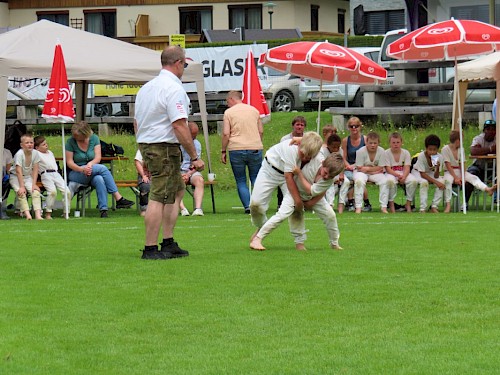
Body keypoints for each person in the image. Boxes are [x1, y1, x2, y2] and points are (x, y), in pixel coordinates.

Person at [135, 45, 205, 260]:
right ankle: (150, 248)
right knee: (159, 195)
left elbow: (137, 123)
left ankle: (168, 242)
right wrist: (194, 156)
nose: (184, 67)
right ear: (177, 63)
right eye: (184, 64)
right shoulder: (174, 89)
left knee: (175, 190)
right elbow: (179, 125)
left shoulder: (146, 88)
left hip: (150, 144)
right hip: (164, 146)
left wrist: (143, 150)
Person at [250, 153, 345, 251]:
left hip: (311, 195)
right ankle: (257, 239)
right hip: (294, 192)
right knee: (282, 215)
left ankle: (334, 243)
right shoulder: (315, 159)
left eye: (330, 176)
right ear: (323, 163)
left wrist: (311, 202)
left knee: (331, 215)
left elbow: (312, 191)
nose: (326, 177)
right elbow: (313, 140)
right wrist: (298, 139)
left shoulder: (330, 179)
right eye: (325, 172)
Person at [249, 131, 323, 239]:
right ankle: (261, 227)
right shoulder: (291, 148)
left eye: (308, 157)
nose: (304, 159)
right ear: (300, 146)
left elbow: (321, 144)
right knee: (255, 205)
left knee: (295, 207)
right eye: (302, 154)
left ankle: (299, 241)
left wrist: (298, 203)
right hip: (269, 170)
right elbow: (288, 177)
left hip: (290, 175)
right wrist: (298, 201)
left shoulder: (311, 147)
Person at [66, 121, 134, 218]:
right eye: (74, 135)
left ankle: (103, 210)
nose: (75, 137)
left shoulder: (94, 139)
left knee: (99, 179)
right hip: (76, 172)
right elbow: (69, 163)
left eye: (77, 135)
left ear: (85, 134)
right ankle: (118, 198)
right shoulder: (70, 142)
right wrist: (82, 170)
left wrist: (90, 164)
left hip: (92, 169)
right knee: (102, 168)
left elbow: (98, 158)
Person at [221, 90, 263, 214]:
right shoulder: (254, 110)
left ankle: (247, 206)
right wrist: (257, 142)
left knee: (240, 179)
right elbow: (261, 131)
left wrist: (223, 150)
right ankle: (259, 203)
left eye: (227, 101)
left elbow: (226, 133)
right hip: (254, 147)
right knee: (256, 177)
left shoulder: (228, 113)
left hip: (236, 148)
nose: (227, 103)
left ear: (232, 99)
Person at [442, 130, 496, 211]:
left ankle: (487, 189)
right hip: (449, 172)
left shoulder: (461, 149)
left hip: (459, 171)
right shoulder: (445, 149)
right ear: (457, 140)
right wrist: (456, 178)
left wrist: (463, 176)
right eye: (461, 140)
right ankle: (448, 204)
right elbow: (448, 165)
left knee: (473, 177)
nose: (462, 142)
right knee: (448, 181)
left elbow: (462, 164)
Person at [34, 135, 71, 219]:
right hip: (46, 174)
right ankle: (48, 212)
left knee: (67, 191)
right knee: (52, 192)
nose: (46, 145)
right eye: (43, 145)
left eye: (46, 143)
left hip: (56, 173)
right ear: (37, 147)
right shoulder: (36, 154)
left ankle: (66, 212)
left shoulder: (50, 152)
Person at [353, 132, 389, 214]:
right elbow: (359, 168)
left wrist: (368, 168)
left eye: (375, 143)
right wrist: (373, 169)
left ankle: (384, 207)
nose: (373, 145)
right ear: (366, 142)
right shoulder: (360, 151)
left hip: (375, 173)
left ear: (378, 143)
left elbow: (380, 167)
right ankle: (358, 207)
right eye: (370, 143)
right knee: (359, 181)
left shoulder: (382, 151)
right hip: (361, 173)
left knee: (384, 181)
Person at [9, 133, 43, 220]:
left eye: (31, 142)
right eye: (27, 143)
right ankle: (28, 215)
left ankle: (38, 215)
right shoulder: (19, 154)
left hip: (27, 176)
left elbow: (35, 169)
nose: (30, 144)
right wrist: (22, 186)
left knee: (35, 192)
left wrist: (34, 184)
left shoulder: (35, 153)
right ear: (22, 145)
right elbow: (18, 171)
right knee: (21, 193)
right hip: (15, 177)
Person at [340, 116, 371, 213]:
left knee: (359, 179)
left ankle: (365, 202)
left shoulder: (365, 140)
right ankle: (350, 201)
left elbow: (368, 156)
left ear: (360, 126)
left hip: (362, 167)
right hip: (349, 167)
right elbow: (344, 157)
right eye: (351, 126)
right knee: (349, 179)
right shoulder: (345, 140)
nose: (354, 128)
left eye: (356, 126)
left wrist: (356, 165)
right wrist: (348, 165)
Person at [381, 132, 417, 213]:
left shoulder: (406, 153)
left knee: (413, 181)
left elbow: (407, 167)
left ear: (401, 142)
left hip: (403, 173)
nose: (395, 144)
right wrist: (397, 175)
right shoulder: (386, 153)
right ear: (390, 143)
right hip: (391, 173)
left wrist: (404, 176)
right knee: (390, 181)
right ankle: (391, 203)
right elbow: (388, 168)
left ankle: (408, 203)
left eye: (398, 142)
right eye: (393, 142)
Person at [464, 119, 497, 206]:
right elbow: (474, 151)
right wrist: (490, 149)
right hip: (479, 167)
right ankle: (465, 202)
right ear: (484, 130)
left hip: (495, 167)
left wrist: (482, 150)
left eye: (493, 129)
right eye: (488, 129)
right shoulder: (478, 138)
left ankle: (496, 199)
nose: (491, 131)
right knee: (471, 174)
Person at [277, 116, 307, 208]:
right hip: (287, 164)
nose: (299, 127)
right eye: (297, 124)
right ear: (293, 126)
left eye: (302, 125)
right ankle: (280, 203)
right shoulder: (285, 139)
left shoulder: (307, 139)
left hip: (303, 164)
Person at [410, 134, 445, 213]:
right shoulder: (422, 156)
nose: (432, 152)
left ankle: (434, 206)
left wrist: (437, 168)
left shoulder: (439, 157)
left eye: (434, 150)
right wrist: (436, 182)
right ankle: (423, 208)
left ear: (438, 149)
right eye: (430, 149)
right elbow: (422, 174)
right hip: (417, 172)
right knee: (424, 183)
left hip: (430, 173)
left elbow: (436, 175)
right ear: (426, 148)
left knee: (442, 182)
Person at [179, 121, 204, 217]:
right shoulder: (176, 143)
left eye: (195, 135)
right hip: (178, 170)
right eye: (192, 135)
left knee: (199, 180)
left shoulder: (196, 144)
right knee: (177, 182)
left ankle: (198, 209)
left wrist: (188, 174)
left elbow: (196, 163)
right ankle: (183, 209)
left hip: (191, 171)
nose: (194, 138)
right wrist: (181, 174)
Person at [321, 132, 350, 208]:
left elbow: (342, 163)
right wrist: (333, 176)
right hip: (327, 174)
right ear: (328, 145)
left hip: (337, 172)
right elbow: (323, 166)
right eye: (334, 147)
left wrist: (341, 174)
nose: (336, 149)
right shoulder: (323, 152)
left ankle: (341, 204)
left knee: (346, 182)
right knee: (330, 182)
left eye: (338, 147)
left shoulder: (340, 151)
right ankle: (330, 204)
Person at [134, 149, 150, 217]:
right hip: (145, 174)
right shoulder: (142, 148)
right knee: (145, 186)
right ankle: (144, 209)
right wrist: (143, 175)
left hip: (158, 174)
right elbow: (137, 162)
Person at [1, 147, 13, 219]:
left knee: (6, 184)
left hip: (3, 175)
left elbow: (8, 170)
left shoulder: (7, 152)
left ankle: (2, 210)